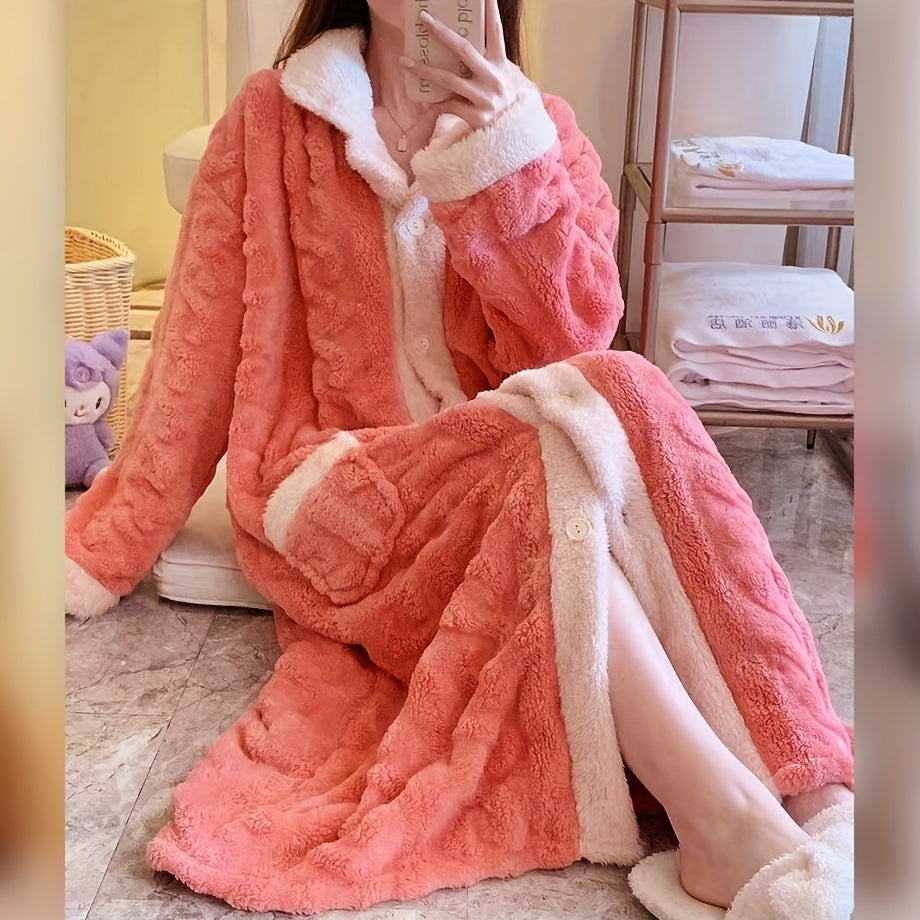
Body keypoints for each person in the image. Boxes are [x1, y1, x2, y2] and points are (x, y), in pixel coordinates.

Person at [65, 1, 854, 917]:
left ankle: (810, 786)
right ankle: (722, 821)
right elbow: (196, 350)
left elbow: (574, 348)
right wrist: (102, 548)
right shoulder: (272, 121)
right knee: (539, 453)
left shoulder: (538, 128)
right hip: (336, 488)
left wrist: (501, 162)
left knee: (619, 389)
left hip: (507, 463)